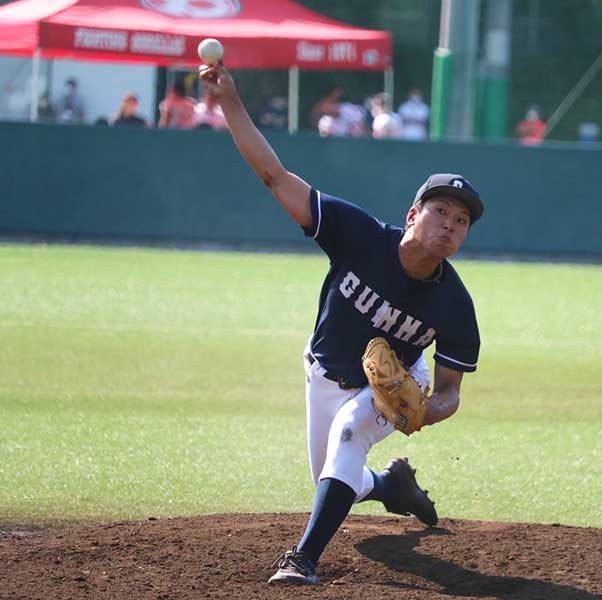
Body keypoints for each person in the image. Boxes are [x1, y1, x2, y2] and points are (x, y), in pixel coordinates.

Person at [200, 59, 484, 586]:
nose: (450, 225)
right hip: (324, 374)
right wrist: (230, 101)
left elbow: (450, 391)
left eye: (461, 220)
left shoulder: (455, 304)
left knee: (351, 435)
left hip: (400, 379)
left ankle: (301, 560)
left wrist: (423, 412)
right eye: (441, 211)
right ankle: (392, 487)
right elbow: (274, 176)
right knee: (336, 480)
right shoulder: (357, 235)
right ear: (414, 213)